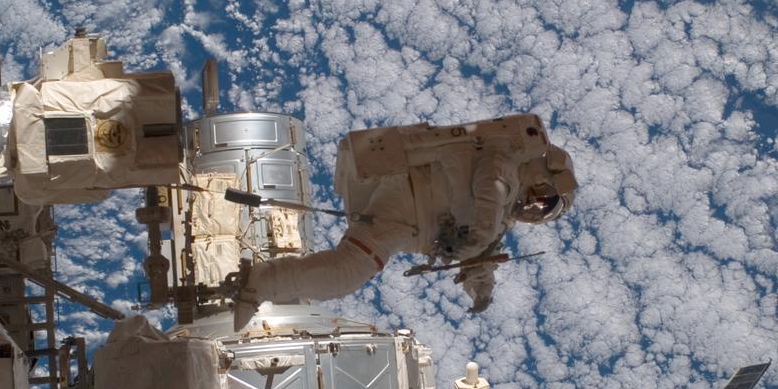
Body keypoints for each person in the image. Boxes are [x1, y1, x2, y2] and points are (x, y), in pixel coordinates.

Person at [231, 128, 576, 330]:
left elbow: (479, 260)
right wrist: (482, 236)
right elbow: (490, 185)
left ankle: (261, 285)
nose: (534, 209)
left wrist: (482, 292)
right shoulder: (506, 163)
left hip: (405, 224)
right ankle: (260, 282)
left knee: (345, 276)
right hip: (407, 198)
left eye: (543, 212)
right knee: (348, 270)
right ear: (545, 175)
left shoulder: (500, 219)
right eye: (544, 200)